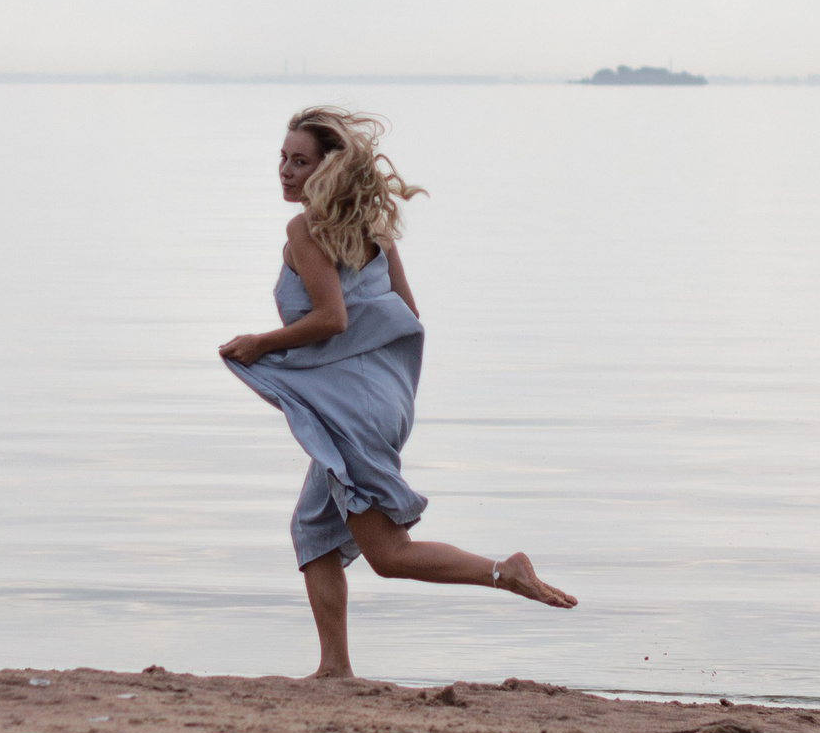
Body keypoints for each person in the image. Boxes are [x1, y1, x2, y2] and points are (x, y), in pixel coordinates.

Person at [219, 106, 576, 680]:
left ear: (327, 169)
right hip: (382, 403)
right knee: (314, 530)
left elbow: (332, 319)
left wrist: (263, 343)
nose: (285, 170)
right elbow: (406, 315)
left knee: (388, 555)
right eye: (282, 158)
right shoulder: (375, 233)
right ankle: (334, 668)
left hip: (351, 414)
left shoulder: (304, 230)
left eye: (299, 161)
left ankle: (503, 571)